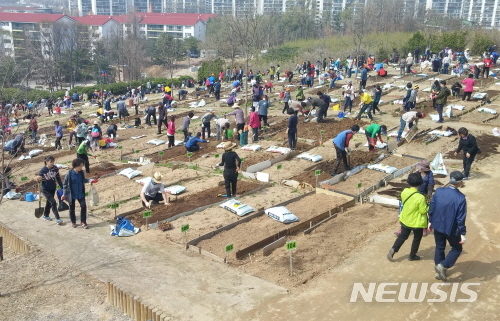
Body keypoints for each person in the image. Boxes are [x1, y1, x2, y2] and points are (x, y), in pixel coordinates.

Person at [428, 171, 467, 282]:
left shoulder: (439, 191)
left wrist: (431, 221)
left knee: (440, 247)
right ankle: (443, 266)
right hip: (452, 228)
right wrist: (463, 233)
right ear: (460, 182)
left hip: (438, 225)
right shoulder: (461, 198)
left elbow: (432, 207)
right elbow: (461, 218)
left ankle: (438, 272)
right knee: (457, 248)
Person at [387, 172, 429, 262]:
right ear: (420, 183)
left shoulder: (405, 192)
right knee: (417, 239)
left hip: (405, 219)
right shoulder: (420, 197)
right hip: (417, 223)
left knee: (402, 236)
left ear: (409, 182)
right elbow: (423, 211)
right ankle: (412, 256)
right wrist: (428, 206)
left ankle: (394, 249)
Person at [62, 158, 98, 229]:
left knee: (83, 206)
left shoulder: (81, 173)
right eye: (81, 166)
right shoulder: (69, 174)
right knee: (72, 208)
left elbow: (83, 180)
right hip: (71, 194)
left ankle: (83, 222)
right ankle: (73, 222)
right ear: (76, 166)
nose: (82, 167)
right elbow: (65, 185)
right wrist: (64, 194)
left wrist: (90, 180)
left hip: (80, 193)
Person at [36, 156, 64, 224]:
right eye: (51, 162)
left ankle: (46, 215)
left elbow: (59, 179)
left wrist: (63, 188)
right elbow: (39, 182)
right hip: (45, 190)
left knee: (49, 202)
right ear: (47, 162)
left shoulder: (55, 169)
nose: (52, 163)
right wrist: (38, 179)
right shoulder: (42, 171)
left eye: (53, 162)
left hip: (53, 188)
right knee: (53, 202)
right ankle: (58, 218)